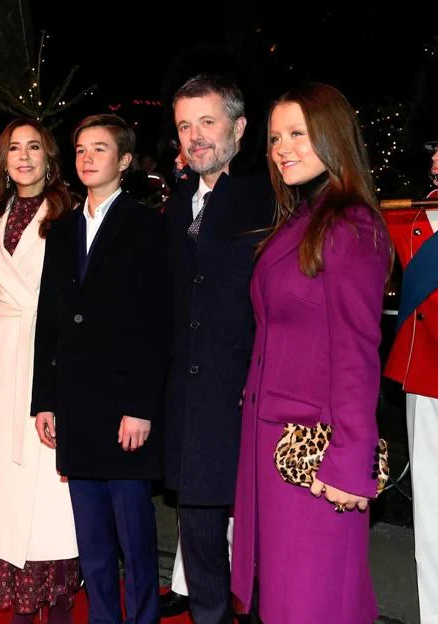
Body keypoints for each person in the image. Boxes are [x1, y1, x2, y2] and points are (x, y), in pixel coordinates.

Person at [231, 83, 391, 624]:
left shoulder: (351, 226)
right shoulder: (303, 218)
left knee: (309, 603)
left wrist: (350, 463)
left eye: (298, 134)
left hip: (316, 456)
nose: (282, 149)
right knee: (282, 600)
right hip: (274, 441)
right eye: (276, 137)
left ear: (332, 136)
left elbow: (358, 353)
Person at [32, 114, 169, 624]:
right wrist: (44, 399)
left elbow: (156, 322)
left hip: (124, 410)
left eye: (101, 149)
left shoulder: (145, 226)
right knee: (91, 541)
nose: (87, 159)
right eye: (81, 150)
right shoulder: (63, 230)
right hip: (75, 405)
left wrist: (140, 406)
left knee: (135, 541)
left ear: (125, 160)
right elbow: (49, 318)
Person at [163, 74, 273, 623]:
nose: (195, 136)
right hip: (190, 404)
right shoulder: (176, 203)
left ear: (239, 127)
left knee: (259, 550)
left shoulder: (268, 201)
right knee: (201, 542)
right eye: (185, 125)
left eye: (207, 121)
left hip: (251, 399)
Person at [0, 118, 79, 624]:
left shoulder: (70, 214)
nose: (24, 156)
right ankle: (20, 600)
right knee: (3, 481)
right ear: (3, 160)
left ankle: (56, 600)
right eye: (14, 148)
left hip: (50, 351)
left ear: (49, 157)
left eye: (34, 147)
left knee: (50, 484)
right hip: (2, 350)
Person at [383, 139, 438, 623]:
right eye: (436, 150)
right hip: (426, 378)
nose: (437, 159)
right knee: (431, 513)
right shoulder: (407, 219)